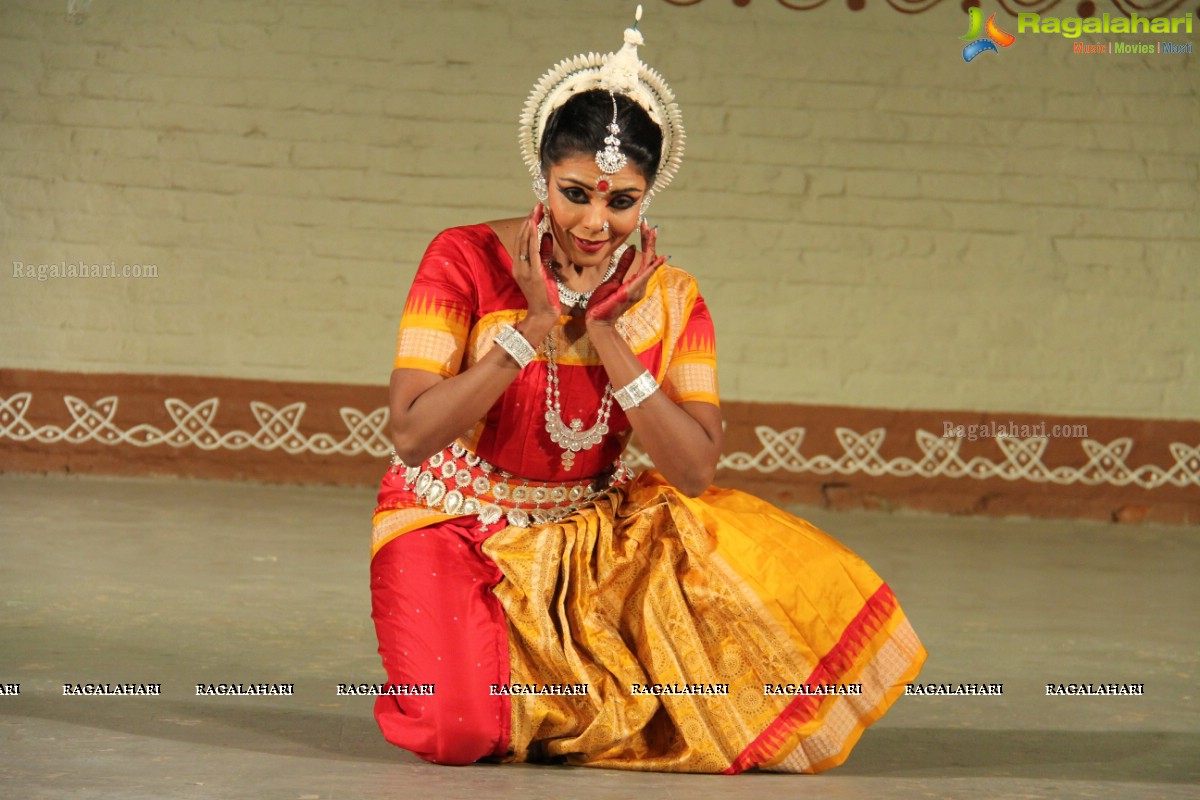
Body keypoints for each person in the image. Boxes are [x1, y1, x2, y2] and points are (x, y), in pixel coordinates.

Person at [369, 6, 926, 773]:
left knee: (753, 670)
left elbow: (696, 470)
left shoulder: (673, 298)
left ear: (647, 198)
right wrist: (532, 326)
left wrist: (606, 333)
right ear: (542, 177)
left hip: (592, 536)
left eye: (621, 201)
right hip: (451, 524)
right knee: (455, 731)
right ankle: (526, 688)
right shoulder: (462, 260)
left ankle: (546, 691)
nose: (595, 224)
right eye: (574, 194)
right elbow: (409, 434)